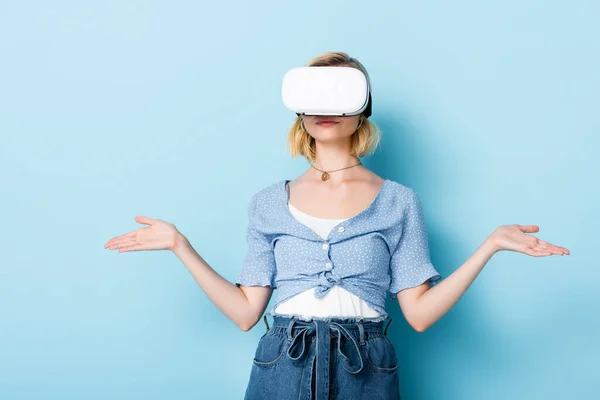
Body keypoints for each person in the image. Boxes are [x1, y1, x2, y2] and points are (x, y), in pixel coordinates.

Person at [103, 51, 571, 400]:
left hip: (366, 365)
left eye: (340, 95)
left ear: (362, 106)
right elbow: (247, 313)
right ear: (299, 110)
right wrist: (181, 246)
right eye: (314, 97)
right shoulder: (267, 203)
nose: (325, 108)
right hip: (281, 361)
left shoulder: (399, 201)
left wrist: (488, 246)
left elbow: (420, 315)